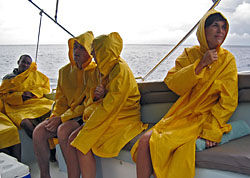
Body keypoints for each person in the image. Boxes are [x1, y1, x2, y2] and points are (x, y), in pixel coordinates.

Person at [131, 9, 238, 178]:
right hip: (180, 116)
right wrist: (200, 64)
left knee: (163, 145)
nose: (220, 31)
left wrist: (212, 130)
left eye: (224, 27)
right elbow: (174, 83)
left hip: (202, 119)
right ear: (203, 30)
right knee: (144, 141)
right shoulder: (189, 54)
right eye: (215, 26)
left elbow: (228, 101)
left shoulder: (227, 60)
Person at [66, 32, 148, 178]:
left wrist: (88, 127)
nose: (92, 53)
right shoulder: (104, 69)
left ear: (104, 51)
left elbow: (110, 107)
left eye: (95, 50)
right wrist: (98, 96)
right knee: (73, 138)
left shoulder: (120, 70)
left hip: (123, 119)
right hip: (111, 115)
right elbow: (99, 99)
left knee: (80, 143)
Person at [33, 31, 96, 178]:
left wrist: (62, 119)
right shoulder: (64, 72)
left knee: (62, 130)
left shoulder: (94, 72)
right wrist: (55, 117)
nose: (76, 51)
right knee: (38, 132)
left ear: (89, 51)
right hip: (65, 115)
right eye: (75, 46)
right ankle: (44, 175)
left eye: (81, 48)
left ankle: (72, 175)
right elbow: (60, 100)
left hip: (84, 115)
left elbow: (88, 104)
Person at [0, 54, 53, 138]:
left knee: (53, 110)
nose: (25, 65)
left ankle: (52, 142)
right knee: (25, 123)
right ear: (18, 62)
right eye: (23, 62)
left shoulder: (35, 75)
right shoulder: (8, 79)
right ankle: (40, 142)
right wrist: (20, 96)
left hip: (35, 103)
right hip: (17, 108)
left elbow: (46, 89)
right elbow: (3, 95)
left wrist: (32, 93)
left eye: (28, 63)